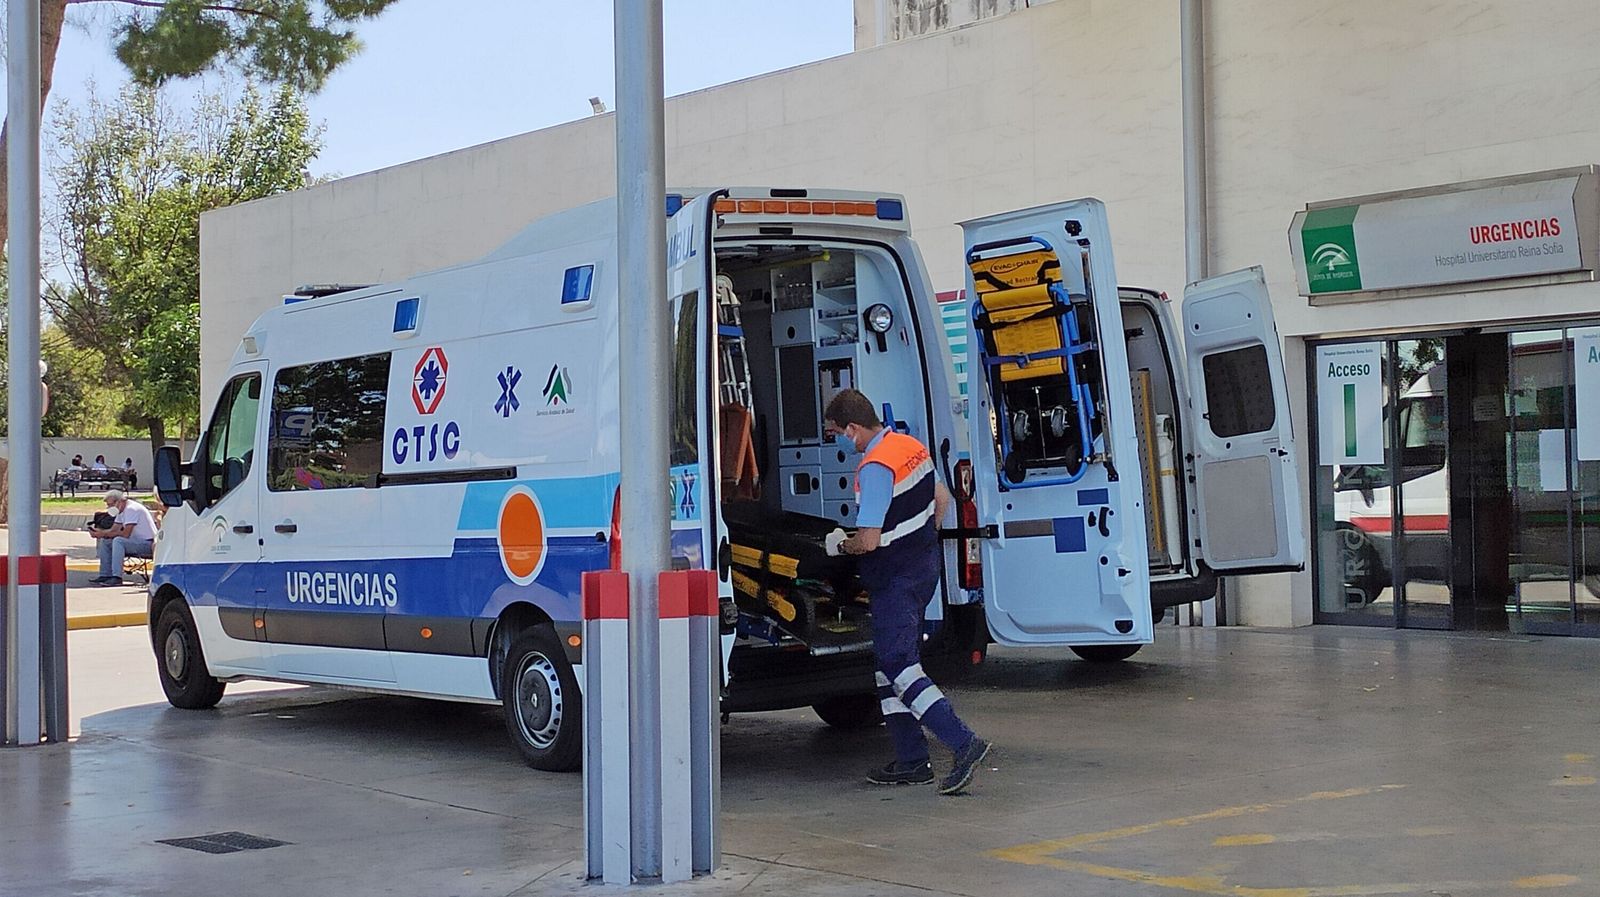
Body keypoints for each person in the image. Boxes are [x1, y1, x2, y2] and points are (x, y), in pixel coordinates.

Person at [821, 388, 991, 795]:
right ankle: (912, 760)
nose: (842, 442)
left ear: (854, 428)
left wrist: (838, 545)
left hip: (894, 578)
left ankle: (962, 742)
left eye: (839, 434)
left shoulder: (875, 465)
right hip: (921, 570)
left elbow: (870, 539)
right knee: (890, 665)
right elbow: (942, 499)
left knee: (898, 665)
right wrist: (917, 541)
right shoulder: (910, 447)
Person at [89, 489, 157, 585]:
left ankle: (117, 577)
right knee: (106, 541)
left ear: (120, 501)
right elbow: (114, 529)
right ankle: (105, 574)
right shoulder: (122, 511)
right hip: (135, 542)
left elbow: (125, 534)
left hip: (147, 544)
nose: (109, 507)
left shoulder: (131, 509)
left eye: (111, 505)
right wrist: (100, 532)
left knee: (118, 541)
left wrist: (103, 534)